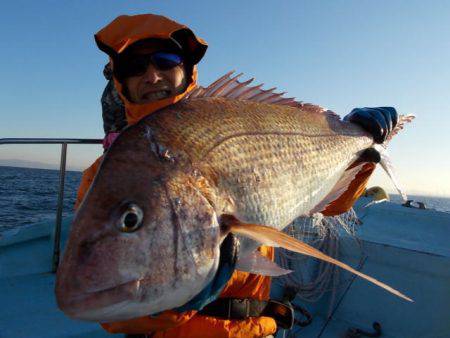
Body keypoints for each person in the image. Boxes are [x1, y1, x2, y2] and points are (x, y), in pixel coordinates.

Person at [75, 13, 399, 338]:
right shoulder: (101, 175)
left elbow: (331, 205)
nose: (152, 76)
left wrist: (363, 156)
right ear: (121, 81)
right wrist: (171, 306)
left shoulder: (226, 115)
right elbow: (102, 301)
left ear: (186, 70)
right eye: (134, 66)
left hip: (253, 330)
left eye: (165, 60)